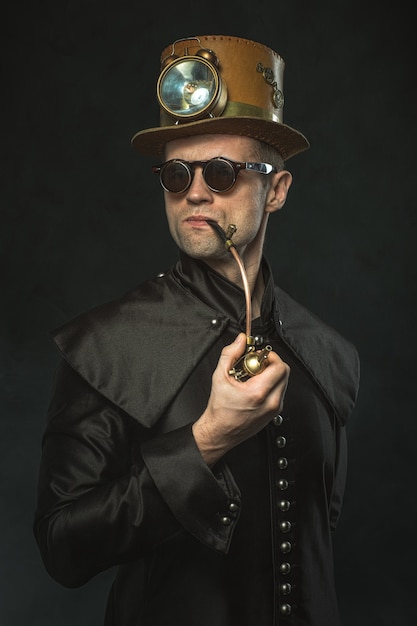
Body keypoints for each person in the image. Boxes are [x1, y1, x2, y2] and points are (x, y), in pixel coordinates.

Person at [33, 35, 360, 626]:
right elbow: (62, 546)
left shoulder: (331, 356)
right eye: (177, 174)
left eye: (220, 171)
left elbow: (318, 544)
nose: (197, 192)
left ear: (277, 190)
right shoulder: (107, 344)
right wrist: (207, 439)